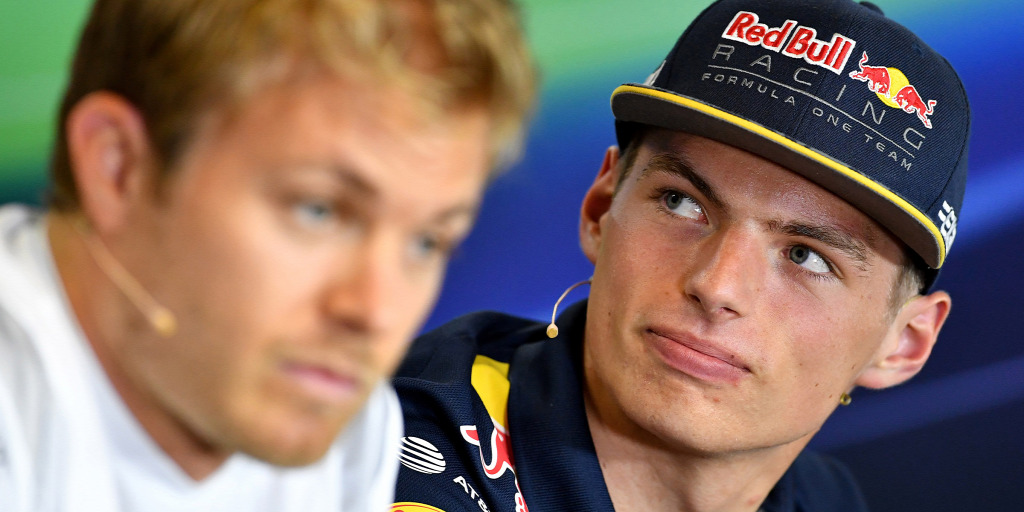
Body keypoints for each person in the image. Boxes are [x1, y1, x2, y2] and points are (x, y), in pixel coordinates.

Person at [391, 0, 970, 510]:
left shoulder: (824, 499)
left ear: (903, 342)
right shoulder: (394, 453)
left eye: (806, 256)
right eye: (681, 203)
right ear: (600, 208)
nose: (717, 286)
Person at [0, 0, 535, 510]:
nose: (376, 312)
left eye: (427, 242)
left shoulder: (354, 434)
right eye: (318, 210)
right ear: (119, 167)